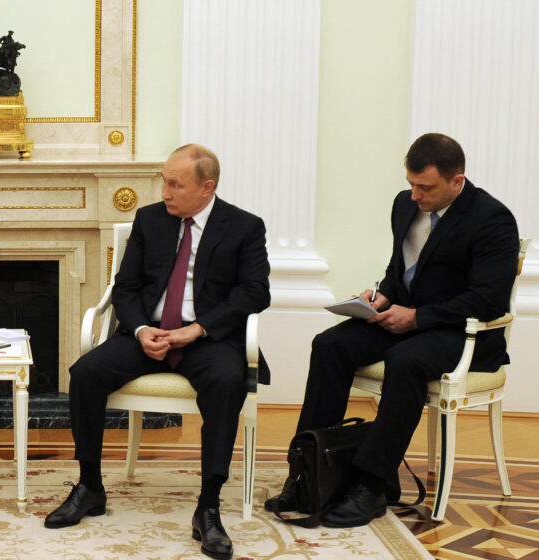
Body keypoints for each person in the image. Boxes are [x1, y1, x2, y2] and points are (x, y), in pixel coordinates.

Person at [265, 133, 519, 527]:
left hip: (461, 333)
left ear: (457, 180)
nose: (416, 195)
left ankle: (371, 485)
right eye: (411, 184)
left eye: (426, 187)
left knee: (405, 360)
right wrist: (381, 296)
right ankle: (308, 471)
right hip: (407, 319)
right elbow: (402, 268)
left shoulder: (492, 219)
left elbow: (488, 301)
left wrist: (417, 317)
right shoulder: (405, 205)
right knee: (330, 345)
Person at [46, 144, 270, 560]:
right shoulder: (150, 220)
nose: (165, 192)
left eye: (174, 184)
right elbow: (125, 287)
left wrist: (198, 329)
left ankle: (207, 507)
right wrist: (141, 328)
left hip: (207, 339)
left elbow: (256, 293)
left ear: (207, 187)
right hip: (147, 335)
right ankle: (90, 486)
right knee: (86, 373)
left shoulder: (244, 227)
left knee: (227, 381)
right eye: (164, 181)